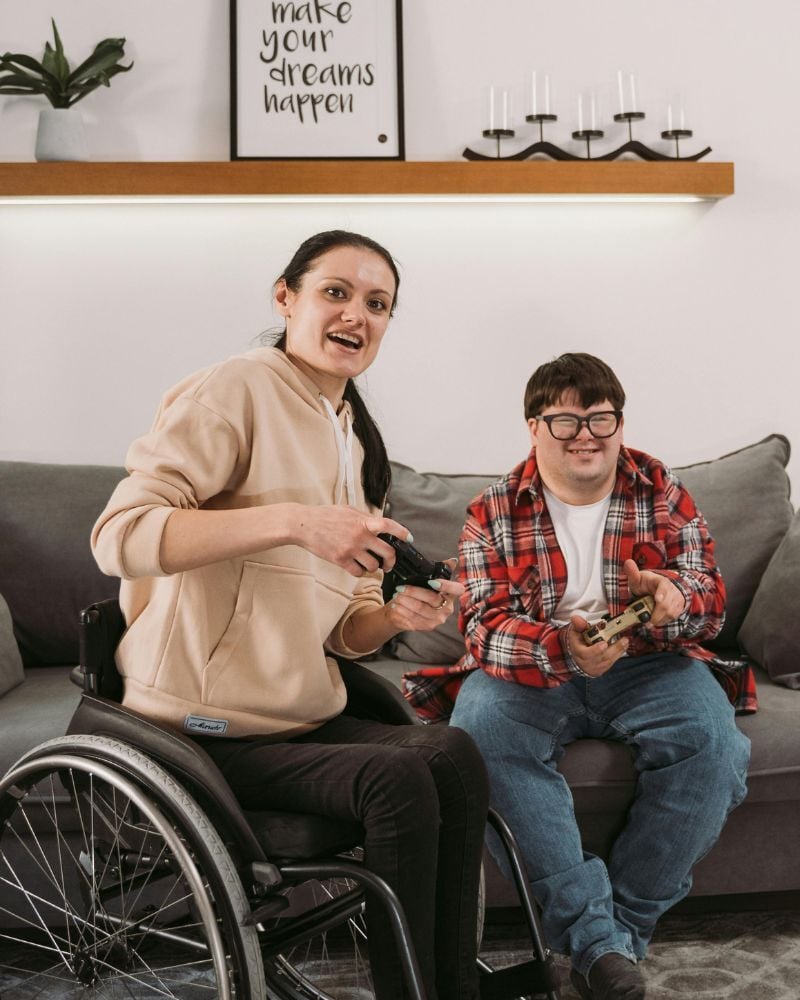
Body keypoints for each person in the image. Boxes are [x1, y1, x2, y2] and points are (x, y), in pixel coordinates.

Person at [91, 230, 489, 1000]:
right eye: (335, 292)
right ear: (286, 298)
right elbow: (118, 536)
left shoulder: (348, 434)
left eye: (378, 304)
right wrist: (296, 521)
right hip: (201, 726)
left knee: (454, 753)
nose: (356, 316)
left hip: (293, 714)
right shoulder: (236, 389)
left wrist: (396, 616)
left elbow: (343, 628)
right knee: (398, 779)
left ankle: (449, 988)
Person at [405, 353, 754, 1000]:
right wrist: (562, 649)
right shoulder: (493, 509)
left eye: (600, 417)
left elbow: (709, 598)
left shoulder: (664, 492)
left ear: (619, 425)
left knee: (715, 746)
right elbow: (484, 626)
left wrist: (677, 599)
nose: (586, 434)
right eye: (565, 420)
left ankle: (609, 939)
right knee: (477, 738)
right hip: (532, 667)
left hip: (648, 662)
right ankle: (604, 946)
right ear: (533, 428)